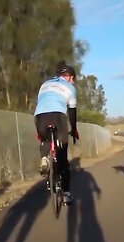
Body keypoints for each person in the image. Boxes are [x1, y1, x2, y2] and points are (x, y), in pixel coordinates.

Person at [34, 60, 79, 206]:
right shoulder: (70, 88)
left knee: (45, 139)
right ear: (69, 77)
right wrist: (74, 129)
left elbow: (41, 103)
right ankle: (66, 194)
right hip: (58, 116)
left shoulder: (45, 85)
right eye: (73, 79)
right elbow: (72, 113)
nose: (73, 82)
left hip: (39, 116)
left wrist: (40, 132)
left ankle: (44, 159)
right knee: (63, 158)